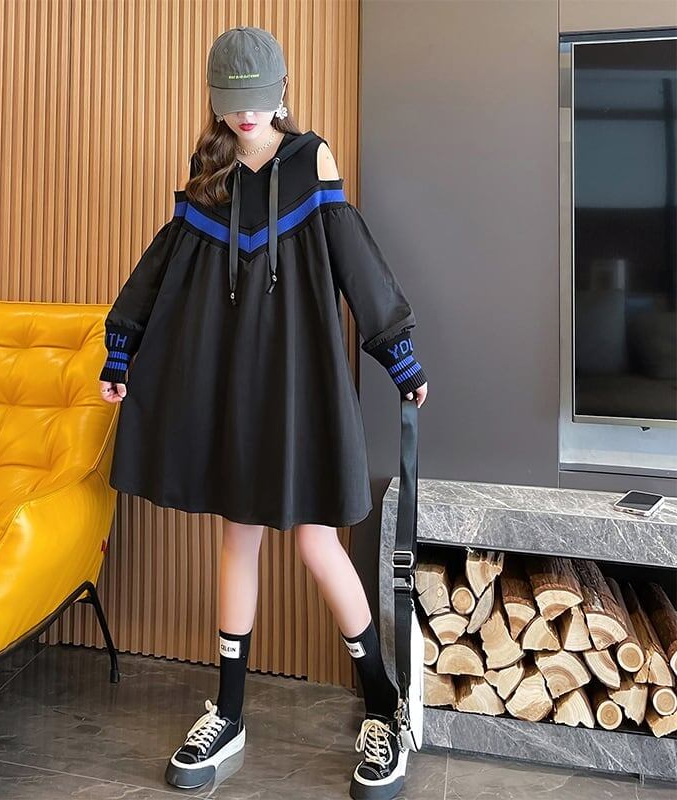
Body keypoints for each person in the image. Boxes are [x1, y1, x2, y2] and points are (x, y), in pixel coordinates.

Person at [98, 25, 429, 800]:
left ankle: (383, 707)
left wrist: (398, 355)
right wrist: (122, 348)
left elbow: (356, 262)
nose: (245, 114)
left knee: (317, 542)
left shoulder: (312, 161)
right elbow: (159, 268)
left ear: (280, 91)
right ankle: (229, 712)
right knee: (237, 538)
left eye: (256, 98)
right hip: (229, 386)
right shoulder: (209, 175)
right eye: (231, 100)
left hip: (300, 382)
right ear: (215, 99)